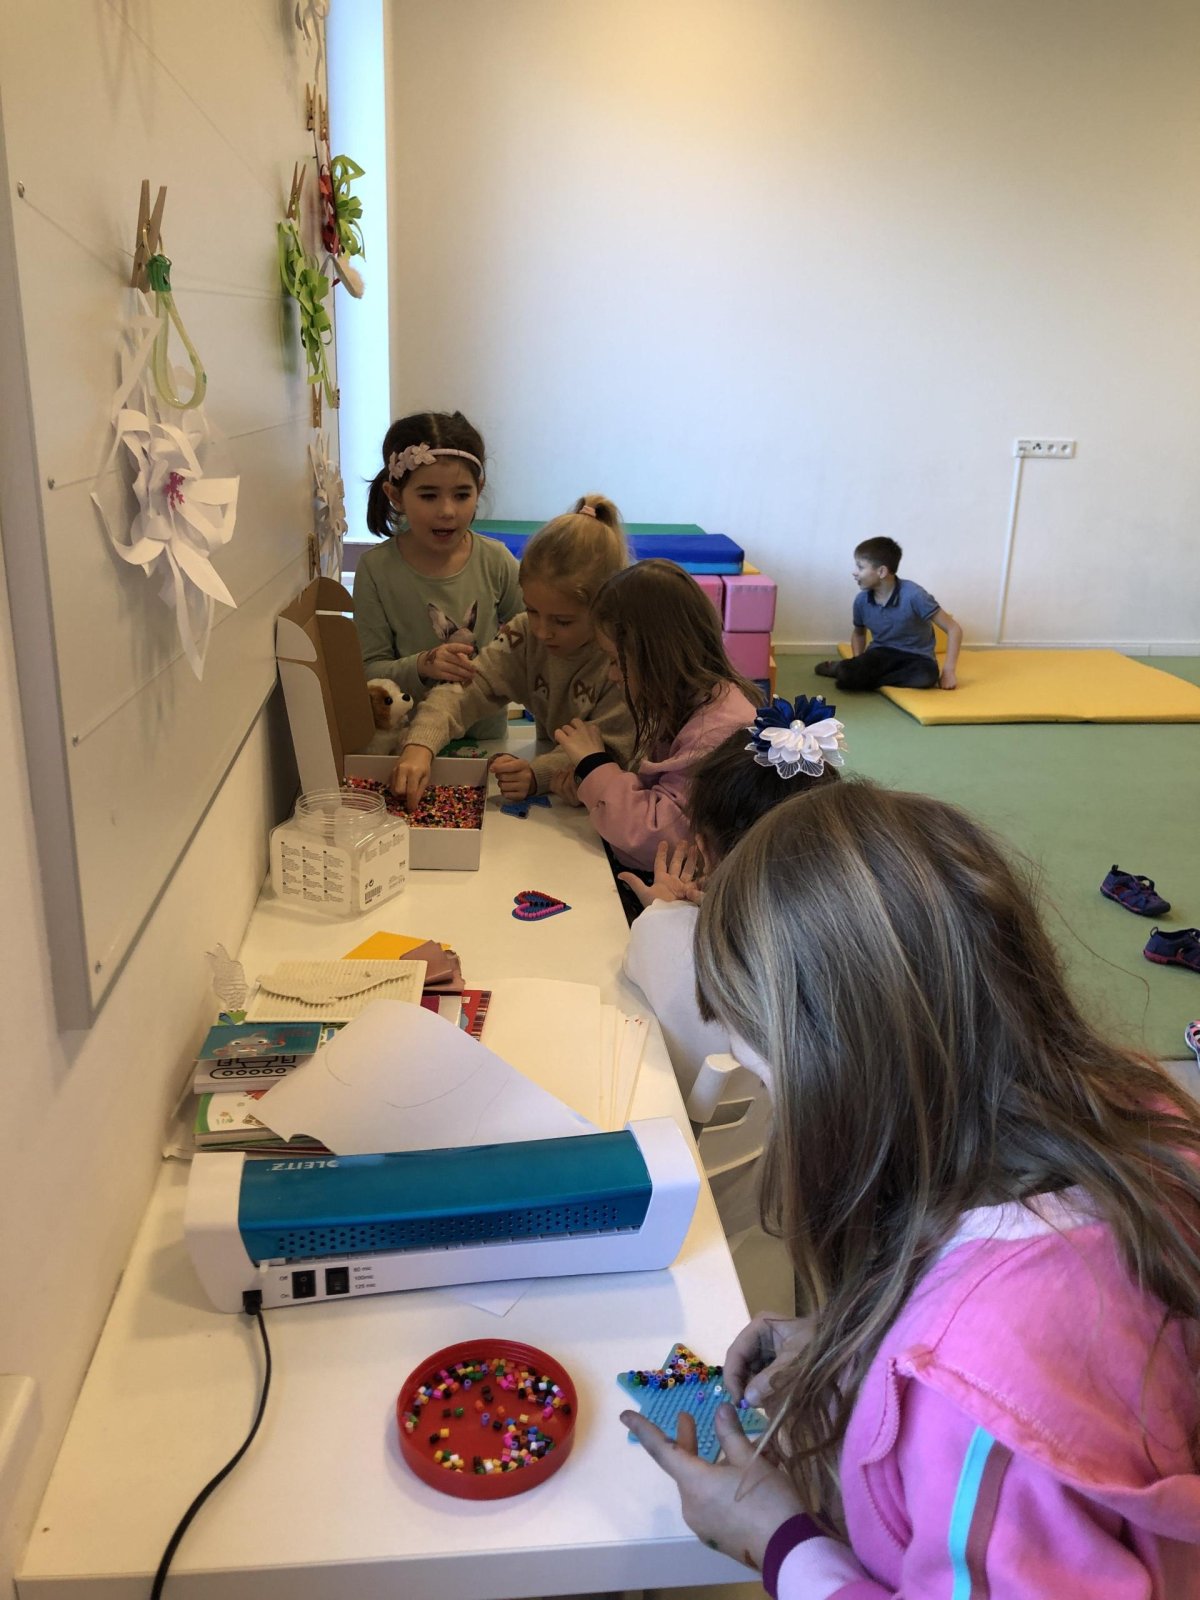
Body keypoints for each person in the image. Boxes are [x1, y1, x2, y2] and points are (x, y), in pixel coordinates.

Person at [623, 782, 1200, 1597]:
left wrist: (780, 1543)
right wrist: (860, 1338)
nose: (780, 1117)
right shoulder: (1144, 1115)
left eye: (771, 1081)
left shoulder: (974, 1401)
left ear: (845, 1077)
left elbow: (996, 1376)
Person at [621, 698, 844, 1236]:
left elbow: (653, 957)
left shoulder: (665, 935)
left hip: (683, 1201)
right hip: (811, 1206)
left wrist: (667, 911)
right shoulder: (858, 954)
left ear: (702, 846)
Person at [388, 496, 635, 808]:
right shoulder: (524, 634)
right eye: (532, 610)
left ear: (604, 609)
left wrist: (538, 774)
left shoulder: (623, 662)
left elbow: (610, 749)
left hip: (622, 799)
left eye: (562, 621)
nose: (542, 631)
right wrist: (420, 744)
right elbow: (468, 688)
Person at [551, 559, 761, 874]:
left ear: (655, 656)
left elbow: (660, 840)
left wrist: (593, 764)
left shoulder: (717, 729)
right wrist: (594, 793)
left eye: (615, 661)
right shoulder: (686, 702)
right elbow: (660, 797)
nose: (611, 674)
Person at [354, 411, 521, 739]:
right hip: (405, 742)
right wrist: (423, 664)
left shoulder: (496, 560)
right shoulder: (376, 569)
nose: (447, 511)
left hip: (486, 739)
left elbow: (534, 636)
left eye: (462, 495)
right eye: (428, 495)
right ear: (395, 495)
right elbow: (368, 671)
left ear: (479, 490)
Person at [815, 536, 962, 692]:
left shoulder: (915, 595)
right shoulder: (861, 600)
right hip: (880, 654)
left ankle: (851, 672)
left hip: (917, 658)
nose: (854, 572)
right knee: (852, 673)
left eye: (860, 567)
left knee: (926, 678)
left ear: (881, 571)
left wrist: (949, 671)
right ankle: (850, 670)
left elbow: (954, 629)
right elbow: (859, 633)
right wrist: (858, 661)